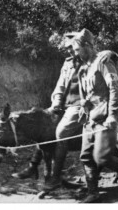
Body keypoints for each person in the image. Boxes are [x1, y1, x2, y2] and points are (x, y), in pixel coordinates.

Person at [13, 33, 84, 191]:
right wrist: (56, 102)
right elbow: (60, 86)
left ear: (80, 45)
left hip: (79, 107)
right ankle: (34, 168)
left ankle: (54, 177)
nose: (70, 52)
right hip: (63, 107)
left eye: (72, 48)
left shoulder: (90, 63)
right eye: (67, 49)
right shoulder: (68, 64)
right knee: (42, 126)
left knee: (59, 134)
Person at [72, 28, 118, 203]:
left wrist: (113, 115)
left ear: (87, 46)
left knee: (101, 157)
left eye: (77, 50)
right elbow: (87, 96)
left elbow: (115, 88)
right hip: (90, 120)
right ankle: (93, 192)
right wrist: (83, 107)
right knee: (86, 156)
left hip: (105, 118)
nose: (75, 54)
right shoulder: (83, 70)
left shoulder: (103, 62)